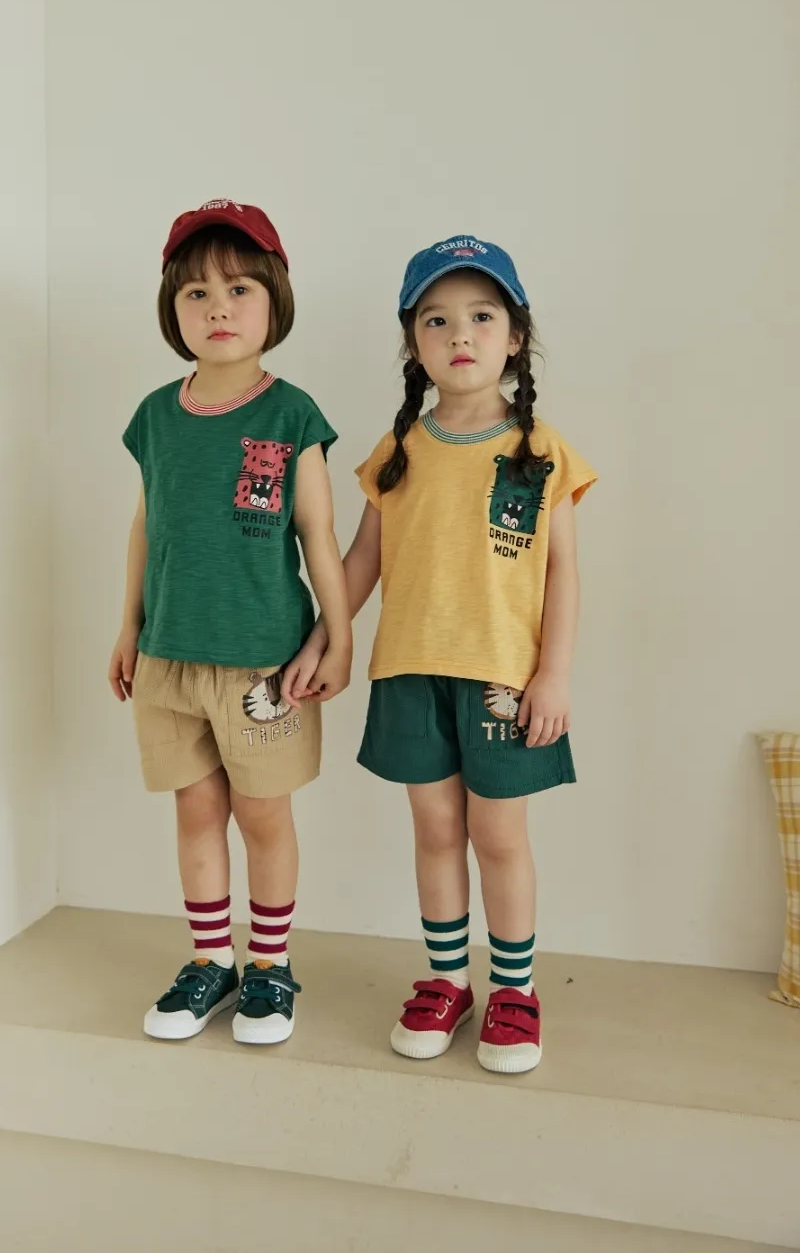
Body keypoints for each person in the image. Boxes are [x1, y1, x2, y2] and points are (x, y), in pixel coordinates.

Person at [285, 235, 596, 1072]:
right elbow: (361, 561)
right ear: (413, 345)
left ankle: (515, 991)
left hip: (503, 680)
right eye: (436, 319)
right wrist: (325, 637)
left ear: (515, 337)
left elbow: (563, 572)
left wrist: (554, 674)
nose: (460, 333)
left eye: (482, 316)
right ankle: (447, 981)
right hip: (409, 671)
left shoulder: (542, 451)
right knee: (434, 829)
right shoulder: (399, 453)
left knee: (498, 834)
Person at [110, 200, 350, 1045]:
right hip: (169, 657)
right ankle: (211, 961)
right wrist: (128, 628)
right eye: (197, 293)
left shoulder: (291, 415)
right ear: (172, 310)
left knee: (263, 816)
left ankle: (270, 968)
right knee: (195, 810)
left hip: (263, 665)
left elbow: (319, 534)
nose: (219, 308)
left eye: (239, 288)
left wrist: (339, 634)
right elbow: (147, 526)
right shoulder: (155, 415)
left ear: (274, 300)